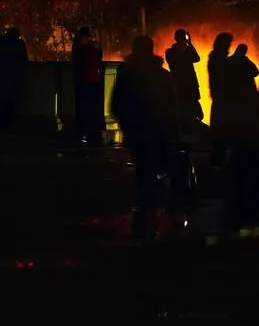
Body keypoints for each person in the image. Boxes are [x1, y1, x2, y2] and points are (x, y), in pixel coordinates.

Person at [111, 36, 179, 239]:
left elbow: (116, 105)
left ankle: (144, 210)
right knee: (159, 169)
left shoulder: (127, 76)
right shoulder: (163, 75)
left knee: (143, 170)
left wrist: (127, 125)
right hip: (159, 131)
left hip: (139, 132)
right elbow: (173, 105)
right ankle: (157, 210)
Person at [225, 42, 259, 236]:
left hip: (236, 98)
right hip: (242, 97)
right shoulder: (242, 63)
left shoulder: (230, 62)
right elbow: (255, 73)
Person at [71, 26, 105, 146]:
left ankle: (86, 128)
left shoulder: (79, 47)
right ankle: (92, 129)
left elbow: (77, 62)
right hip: (92, 80)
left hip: (85, 80)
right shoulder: (92, 47)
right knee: (91, 106)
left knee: (85, 105)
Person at [166, 28, 203, 127]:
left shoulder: (172, 52)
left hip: (185, 84)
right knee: (185, 108)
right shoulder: (171, 52)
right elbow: (196, 58)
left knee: (189, 108)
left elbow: (197, 59)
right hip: (184, 85)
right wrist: (189, 44)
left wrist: (189, 45)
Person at [207, 32, 235, 163]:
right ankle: (219, 154)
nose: (229, 46)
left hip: (221, 95)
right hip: (222, 95)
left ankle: (219, 153)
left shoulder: (216, 57)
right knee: (222, 125)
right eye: (228, 44)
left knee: (221, 125)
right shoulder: (218, 57)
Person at [0, 27, 28, 132]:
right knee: (11, 101)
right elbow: (24, 60)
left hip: (2, 77)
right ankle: (9, 125)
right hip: (14, 77)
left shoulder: (1, 42)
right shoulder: (19, 44)